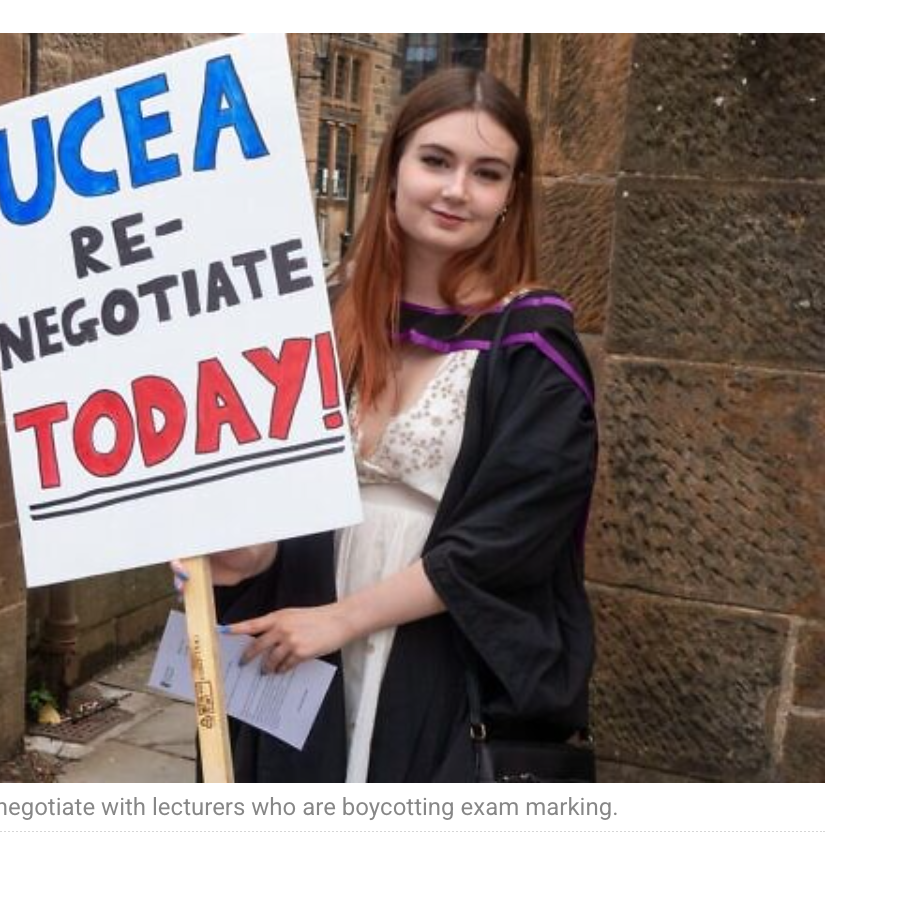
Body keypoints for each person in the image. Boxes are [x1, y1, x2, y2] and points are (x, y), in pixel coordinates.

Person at [176, 66, 597, 781]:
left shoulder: (531, 347)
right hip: (300, 629)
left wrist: (340, 620)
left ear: (509, 198)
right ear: (394, 167)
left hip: (438, 644)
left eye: (487, 172)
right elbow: (274, 486)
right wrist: (248, 558)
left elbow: (509, 540)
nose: (457, 189)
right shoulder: (318, 319)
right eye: (436, 161)